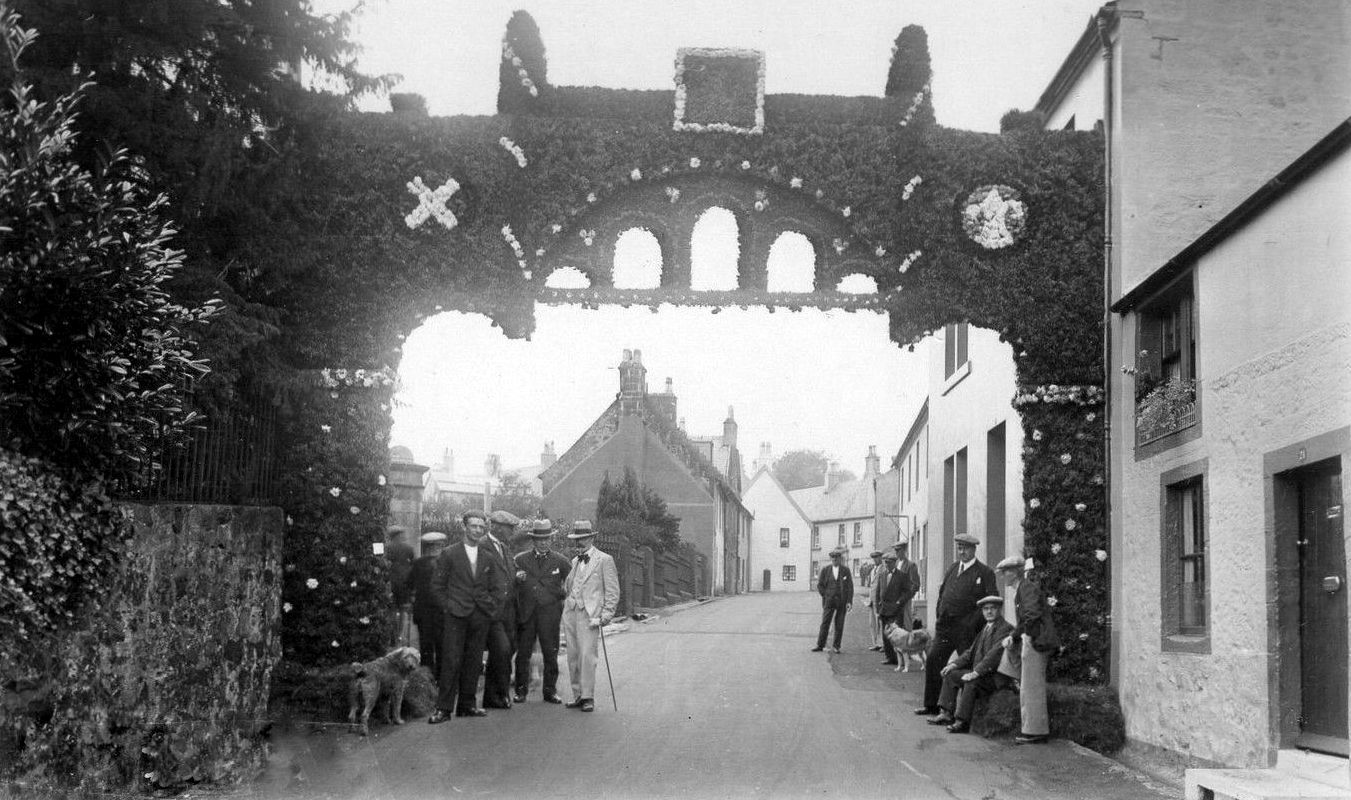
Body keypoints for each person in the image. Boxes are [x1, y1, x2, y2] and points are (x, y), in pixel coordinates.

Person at [427, 510, 505, 724]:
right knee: (451, 660)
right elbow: (436, 587)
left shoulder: (487, 556)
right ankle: (443, 709)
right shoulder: (449, 554)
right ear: (464, 527)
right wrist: (448, 607)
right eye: (474, 526)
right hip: (456, 616)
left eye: (481, 527)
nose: (478, 530)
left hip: (479, 616)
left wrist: (490, 609)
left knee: (473, 661)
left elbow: (498, 587)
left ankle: (467, 705)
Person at [916, 533, 996, 715]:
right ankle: (932, 706)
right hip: (945, 628)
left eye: (965, 548)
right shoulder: (953, 568)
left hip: (966, 631)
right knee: (933, 660)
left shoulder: (984, 573)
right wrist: (939, 615)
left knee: (965, 669)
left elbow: (990, 601)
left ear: (974, 549)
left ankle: (963, 712)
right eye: (959, 548)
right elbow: (942, 592)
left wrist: (971, 623)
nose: (962, 552)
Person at [996, 555, 1059, 744]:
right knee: (1027, 685)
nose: (1003, 576)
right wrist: (1014, 636)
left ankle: (1035, 732)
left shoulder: (1026, 588)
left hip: (1036, 641)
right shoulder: (1022, 589)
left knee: (1032, 688)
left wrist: (1026, 637)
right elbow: (1025, 620)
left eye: (1005, 572)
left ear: (1014, 573)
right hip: (1033, 640)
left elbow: (1031, 616)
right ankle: (1032, 729)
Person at [928, 595, 1014, 733]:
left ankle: (962, 721)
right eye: (986, 609)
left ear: (1000, 610)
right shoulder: (985, 628)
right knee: (951, 674)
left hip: (994, 676)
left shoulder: (1005, 629)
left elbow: (994, 655)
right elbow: (970, 652)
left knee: (971, 682)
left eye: (993, 608)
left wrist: (975, 672)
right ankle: (946, 713)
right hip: (982, 674)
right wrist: (954, 664)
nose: (989, 612)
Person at [561, 521, 619, 712]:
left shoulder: (604, 560)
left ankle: (588, 697)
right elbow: (570, 587)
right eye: (577, 539)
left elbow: (612, 591)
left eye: (584, 538)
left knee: (587, 656)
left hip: (590, 615)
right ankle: (577, 694)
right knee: (573, 656)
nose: (580, 542)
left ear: (592, 538)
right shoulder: (575, 561)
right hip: (571, 612)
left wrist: (605, 616)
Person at [513, 518, 571, 704]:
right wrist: (517, 580)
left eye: (547, 538)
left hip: (550, 615)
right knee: (523, 653)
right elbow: (511, 583)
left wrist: (559, 594)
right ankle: (520, 691)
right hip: (527, 614)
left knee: (550, 652)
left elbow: (572, 584)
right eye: (540, 539)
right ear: (533, 540)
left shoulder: (561, 561)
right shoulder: (520, 560)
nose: (543, 542)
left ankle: (550, 691)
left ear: (551, 539)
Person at [481, 509, 521, 710]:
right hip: (492, 612)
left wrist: (517, 577)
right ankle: (496, 696)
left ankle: (498, 694)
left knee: (507, 650)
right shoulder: (482, 546)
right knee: (502, 650)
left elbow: (506, 575)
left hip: (508, 612)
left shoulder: (504, 548)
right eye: (509, 528)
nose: (512, 532)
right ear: (496, 527)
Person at [409, 531, 448, 676]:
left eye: (436, 546)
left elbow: (409, 583)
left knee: (433, 646)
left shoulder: (420, 563)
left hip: (434, 612)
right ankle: (434, 677)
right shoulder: (442, 562)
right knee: (435, 646)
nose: (434, 549)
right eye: (433, 546)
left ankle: (431, 676)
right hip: (433, 612)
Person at [812, 549, 854, 653]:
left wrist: (849, 601)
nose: (835, 559)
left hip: (842, 601)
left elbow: (850, 587)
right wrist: (825, 596)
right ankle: (820, 645)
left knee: (839, 624)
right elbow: (820, 585)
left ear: (840, 559)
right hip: (829, 601)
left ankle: (836, 646)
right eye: (833, 558)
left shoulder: (845, 570)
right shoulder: (825, 570)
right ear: (831, 559)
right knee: (825, 623)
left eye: (837, 558)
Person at [874, 551, 910, 666]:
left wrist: (899, 601)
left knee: (897, 635)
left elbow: (907, 592)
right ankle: (890, 657)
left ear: (895, 563)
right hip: (884, 610)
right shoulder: (882, 575)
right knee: (886, 636)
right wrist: (877, 607)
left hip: (895, 610)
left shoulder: (902, 575)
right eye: (886, 563)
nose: (887, 565)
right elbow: (878, 592)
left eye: (889, 563)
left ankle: (899, 659)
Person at [892, 540, 922, 630]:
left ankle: (908, 643)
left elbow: (915, 585)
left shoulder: (911, 565)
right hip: (895, 600)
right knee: (896, 626)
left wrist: (905, 597)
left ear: (904, 550)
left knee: (906, 625)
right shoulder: (896, 564)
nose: (896, 553)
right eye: (895, 550)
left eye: (898, 550)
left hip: (905, 601)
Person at [863, 550, 884, 651]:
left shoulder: (884, 569)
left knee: (880, 622)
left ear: (881, 558)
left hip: (879, 599)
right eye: (874, 558)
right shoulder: (872, 570)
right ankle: (875, 643)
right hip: (871, 599)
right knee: (872, 622)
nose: (875, 560)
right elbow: (871, 585)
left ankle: (882, 644)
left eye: (877, 557)